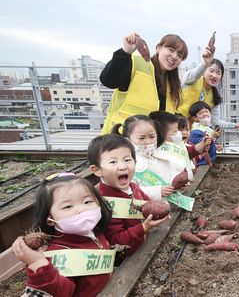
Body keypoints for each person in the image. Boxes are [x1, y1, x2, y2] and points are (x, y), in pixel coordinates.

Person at [11, 173, 113, 297]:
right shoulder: (59, 254)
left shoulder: (94, 232)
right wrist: (38, 264)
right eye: (68, 206)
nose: (81, 209)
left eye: (87, 201)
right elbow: (60, 292)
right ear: (50, 219)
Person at [100, 33, 214, 134]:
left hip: (147, 144)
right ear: (159, 48)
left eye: (180, 55)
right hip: (120, 138)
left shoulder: (171, 83)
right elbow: (108, 80)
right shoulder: (136, 63)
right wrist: (125, 52)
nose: (174, 56)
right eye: (171, 49)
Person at [88, 134, 168, 262]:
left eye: (127, 160)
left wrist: (159, 210)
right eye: (113, 162)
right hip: (126, 258)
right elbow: (115, 240)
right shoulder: (105, 203)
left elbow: (146, 202)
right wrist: (143, 228)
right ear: (97, 170)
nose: (123, 166)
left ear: (135, 162)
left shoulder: (133, 186)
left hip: (142, 242)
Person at [178, 59, 239, 130]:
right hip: (175, 123)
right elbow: (193, 74)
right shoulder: (192, 80)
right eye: (211, 71)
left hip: (191, 132)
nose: (214, 75)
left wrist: (235, 125)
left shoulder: (214, 96)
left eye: (218, 73)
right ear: (204, 71)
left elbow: (215, 121)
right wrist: (205, 63)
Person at [188, 101, 221, 166]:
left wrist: (216, 146)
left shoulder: (208, 128)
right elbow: (201, 144)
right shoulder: (196, 130)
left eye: (206, 111)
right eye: (201, 113)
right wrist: (213, 137)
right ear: (195, 118)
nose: (205, 114)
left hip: (206, 160)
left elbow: (210, 143)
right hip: (200, 162)